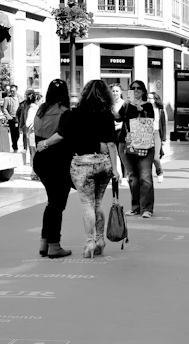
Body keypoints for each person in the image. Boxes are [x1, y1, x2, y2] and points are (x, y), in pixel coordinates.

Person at [51, 80, 120, 259]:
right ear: (106, 95)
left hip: (82, 162)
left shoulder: (75, 114)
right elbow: (112, 144)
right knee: (98, 204)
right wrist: (115, 168)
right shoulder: (107, 114)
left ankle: (90, 242)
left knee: (87, 204)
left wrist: (44, 143)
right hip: (103, 163)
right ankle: (100, 240)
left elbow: (64, 135)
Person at [34, 79, 73, 259]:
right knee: (57, 204)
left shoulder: (40, 111)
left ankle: (45, 242)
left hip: (41, 161)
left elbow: (36, 137)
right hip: (58, 162)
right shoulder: (66, 113)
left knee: (52, 203)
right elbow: (67, 137)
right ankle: (54, 245)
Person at [117, 80, 155, 218]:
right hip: (126, 142)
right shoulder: (127, 104)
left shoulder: (148, 106)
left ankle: (147, 208)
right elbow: (117, 118)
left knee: (145, 176)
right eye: (133, 88)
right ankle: (135, 207)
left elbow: (150, 121)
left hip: (144, 143)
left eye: (139, 88)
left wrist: (140, 110)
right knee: (133, 177)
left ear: (144, 91)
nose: (136, 90)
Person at [109, 83, 128, 187]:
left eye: (117, 91)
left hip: (121, 131)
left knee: (122, 154)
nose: (115, 93)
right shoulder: (108, 104)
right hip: (110, 131)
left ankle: (124, 177)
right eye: (113, 91)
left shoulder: (125, 104)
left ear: (121, 92)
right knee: (110, 154)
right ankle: (112, 174)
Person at [23, 90, 42, 180]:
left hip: (32, 134)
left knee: (34, 154)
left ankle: (34, 173)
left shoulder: (31, 107)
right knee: (35, 154)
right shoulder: (34, 107)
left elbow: (28, 123)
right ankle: (35, 173)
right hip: (36, 133)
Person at [147, 92, 166, 183]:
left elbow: (163, 124)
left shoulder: (160, 110)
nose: (149, 100)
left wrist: (164, 138)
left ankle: (159, 171)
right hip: (146, 134)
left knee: (155, 157)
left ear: (155, 99)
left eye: (151, 98)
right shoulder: (144, 109)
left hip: (156, 133)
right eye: (148, 98)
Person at [3, 84, 23, 152]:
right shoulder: (7, 98)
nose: (12, 92)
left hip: (19, 118)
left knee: (18, 133)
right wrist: (9, 117)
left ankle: (15, 143)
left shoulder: (20, 98)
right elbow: (4, 109)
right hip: (11, 117)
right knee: (13, 133)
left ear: (16, 90)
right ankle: (15, 147)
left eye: (13, 91)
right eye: (11, 91)